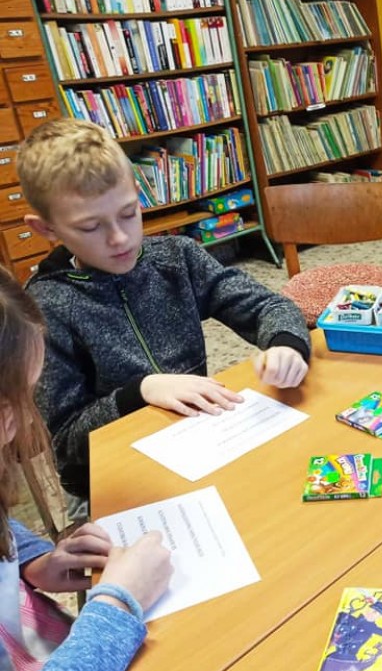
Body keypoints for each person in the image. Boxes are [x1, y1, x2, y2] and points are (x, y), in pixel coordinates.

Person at [18, 119, 311, 517]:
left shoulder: (176, 258)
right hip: (110, 480)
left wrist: (285, 344)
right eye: (90, 227)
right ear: (45, 228)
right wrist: (139, 392)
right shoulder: (45, 308)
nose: (119, 238)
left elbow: (268, 306)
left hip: (202, 442)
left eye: (128, 213)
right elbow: (65, 445)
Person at [0, 266, 173, 671]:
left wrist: (31, 561)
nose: (24, 421)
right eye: (12, 404)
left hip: (48, 655)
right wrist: (118, 604)